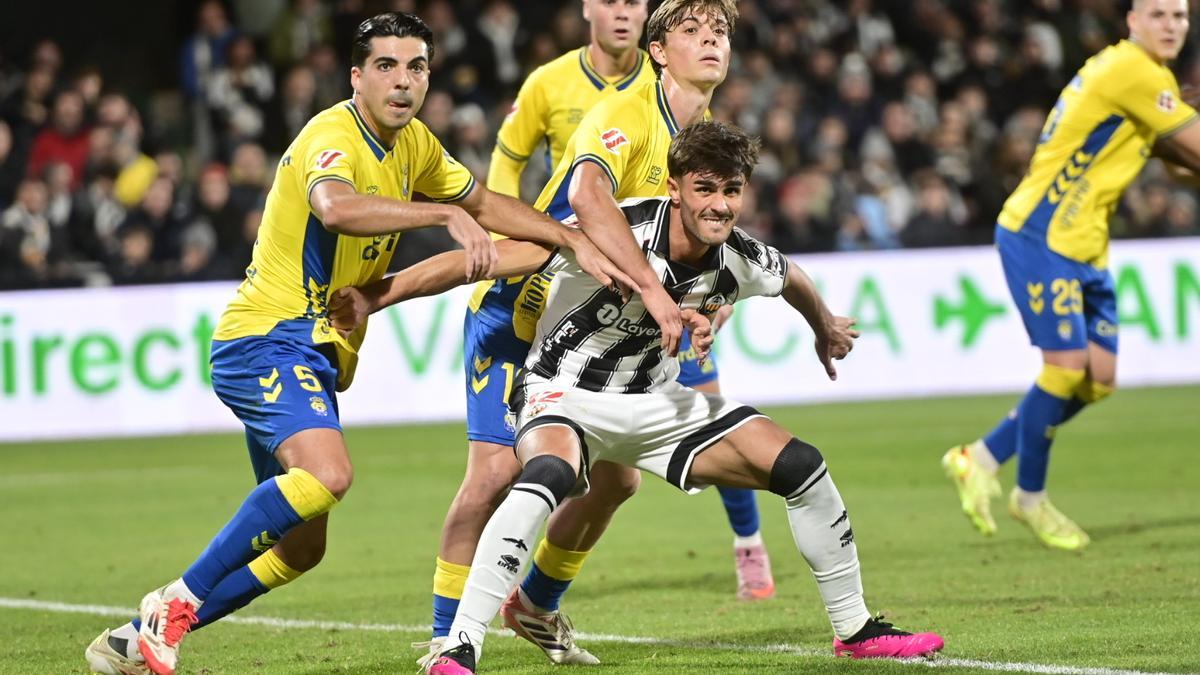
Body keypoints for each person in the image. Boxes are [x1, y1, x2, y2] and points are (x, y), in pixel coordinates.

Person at [83, 12, 629, 675]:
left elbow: (485, 203)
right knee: (328, 475)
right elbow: (336, 207)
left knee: (299, 548)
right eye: (386, 66)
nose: (403, 82)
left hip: (311, 349)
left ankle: (135, 637)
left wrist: (566, 236)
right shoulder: (333, 133)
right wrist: (441, 212)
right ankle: (175, 601)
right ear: (356, 76)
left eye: (417, 67)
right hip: (266, 337)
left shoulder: (416, 144)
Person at [342, 121, 945, 674]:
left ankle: (855, 629)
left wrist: (826, 327)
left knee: (802, 466)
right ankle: (458, 646)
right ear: (675, 187)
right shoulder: (616, 231)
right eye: (704, 188)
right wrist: (377, 296)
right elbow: (486, 260)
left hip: (657, 403)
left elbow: (792, 279)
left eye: (731, 190)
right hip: (563, 394)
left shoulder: (739, 255)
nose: (719, 204)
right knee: (548, 473)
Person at [420, 0, 772, 667]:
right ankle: (446, 638)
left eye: (720, 33)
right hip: (518, 310)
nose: (711, 44)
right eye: (694, 32)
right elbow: (577, 209)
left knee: (618, 480)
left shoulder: (697, 138)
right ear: (660, 45)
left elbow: (685, 244)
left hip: (595, 329)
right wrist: (389, 291)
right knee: (494, 471)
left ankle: (535, 604)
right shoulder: (625, 111)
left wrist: (709, 298)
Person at [943, 0, 1200, 551]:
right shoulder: (1133, 70)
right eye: (1158, 15)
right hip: (1041, 236)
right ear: (1132, 20)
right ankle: (1029, 498)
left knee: (1098, 379)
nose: (1172, 26)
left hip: (1086, 246)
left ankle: (980, 457)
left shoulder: (1147, 78)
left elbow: (1179, 159)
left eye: (1180, 16)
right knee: (1063, 368)